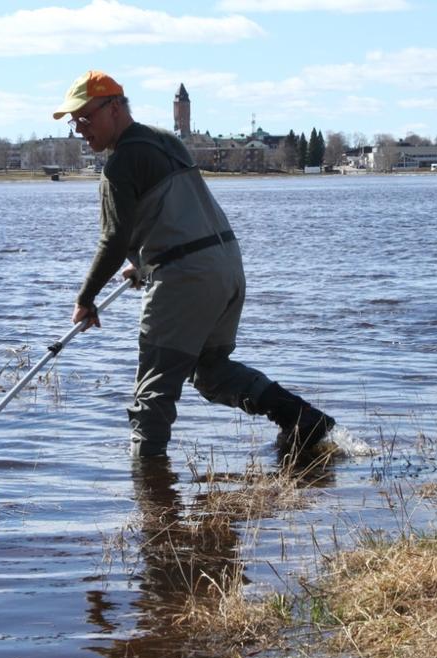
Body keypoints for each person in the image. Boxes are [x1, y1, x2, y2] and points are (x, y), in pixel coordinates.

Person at [53, 70, 335, 462]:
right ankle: (302, 418)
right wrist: (146, 264)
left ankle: (151, 500)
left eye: (85, 118)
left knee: (152, 394)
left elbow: (114, 239)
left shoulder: (120, 163)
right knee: (210, 370)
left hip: (186, 277)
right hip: (225, 267)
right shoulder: (167, 142)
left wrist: (86, 298)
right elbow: (173, 214)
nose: (80, 129)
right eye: (74, 121)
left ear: (114, 108)